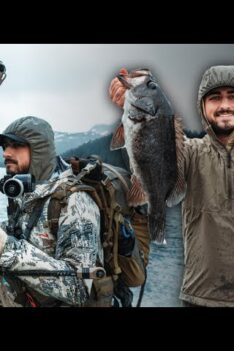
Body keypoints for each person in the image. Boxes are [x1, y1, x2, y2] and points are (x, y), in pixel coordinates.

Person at [109, 65, 234, 307]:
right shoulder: (191, 152)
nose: (225, 105)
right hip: (200, 295)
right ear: (202, 105)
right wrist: (130, 99)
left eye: (232, 96)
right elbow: (159, 149)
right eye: (215, 97)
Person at [0, 116, 103, 307]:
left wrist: (6, 247)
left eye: (15, 145)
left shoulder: (74, 201)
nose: (6, 153)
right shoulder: (27, 193)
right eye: (5, 146)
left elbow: (79, 287)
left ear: (38, 149)